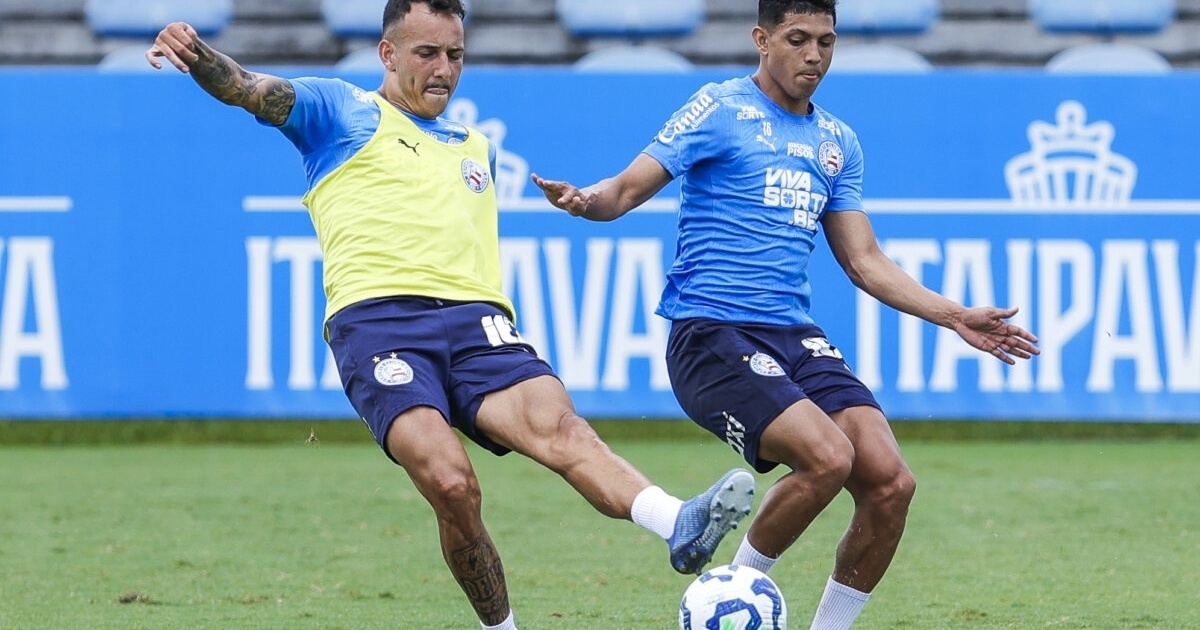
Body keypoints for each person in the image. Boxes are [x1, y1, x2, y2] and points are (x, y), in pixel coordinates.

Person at [145, 2, 756, 629]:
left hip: (477, 324)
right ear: (387, 54)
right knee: (454, 485)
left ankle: (674, 519)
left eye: (455, 55)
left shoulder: (475, 148)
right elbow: (248, 90)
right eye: (426, 54)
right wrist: (197, 54)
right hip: (380, 327)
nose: (443, 70)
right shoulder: (341, 110)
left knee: (564, 430)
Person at [531, 1, 1041, 628]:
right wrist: (586, 201)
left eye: (826, 41)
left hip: (793, 335)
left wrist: (955, 315)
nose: (814, 55)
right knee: (828, 457)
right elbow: (628, 189)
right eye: (798, 40)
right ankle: (734, 593)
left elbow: (864, 260)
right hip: (710, 332)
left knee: (890, 485)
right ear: (761, 40)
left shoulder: (837, 142)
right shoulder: (720, 108)